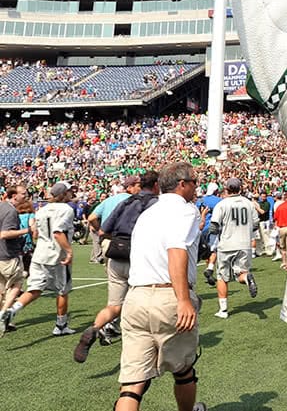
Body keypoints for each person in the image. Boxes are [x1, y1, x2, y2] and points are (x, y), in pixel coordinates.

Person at [114, 161, 205, 411]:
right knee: (184, 370)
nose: (197, 187)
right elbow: (176, 250)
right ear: (182, 184)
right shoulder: (185, 210)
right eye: (195, 182)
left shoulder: (148, 213)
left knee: (132, 384)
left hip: (136, 297)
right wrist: (184, 299)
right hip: (168, 295)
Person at [74, 170, 160, 363]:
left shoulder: (126, 202)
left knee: (114, 306)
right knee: (147, 304)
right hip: (139, 259)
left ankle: (95, 328)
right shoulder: (155, 204)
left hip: (115, 256)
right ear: (156, 186)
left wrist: (120, 240)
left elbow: (103, 230)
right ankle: (149, 347)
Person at [1, 181, 76, 336]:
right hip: (56, 255)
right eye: (69, 191)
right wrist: (68, 251)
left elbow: (35, 234)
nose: (71, 194)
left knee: (34, 289)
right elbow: (58, 232)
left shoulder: (41, 210)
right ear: (63, 194)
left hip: (39, 254)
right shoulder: (66, 209)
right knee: (63, 290)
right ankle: (61, 325)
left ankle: (11, 311)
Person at [208, 178, 259, 319]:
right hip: (245, 243)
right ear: (240, 189)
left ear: (226, 189)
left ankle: (223, 310)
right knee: (241, 273)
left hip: (227, 243)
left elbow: (214, 227)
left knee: (222, 277)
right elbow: (255, 224)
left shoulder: (222, 204)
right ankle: (247, 278)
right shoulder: (249, 203)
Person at [89, 177, 141, 263]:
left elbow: (91, 218)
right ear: (130, 187)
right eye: (139, 186)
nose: (140, 189)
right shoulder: (135, 200)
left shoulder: (109, 200)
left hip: (107, 241)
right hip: (126, 242)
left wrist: (99, 230)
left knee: (111, 273)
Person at [0, 185, 30, 325]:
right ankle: (4, 313)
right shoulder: (10, 212)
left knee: (1, 288)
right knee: (16, 284)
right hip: (9, 255)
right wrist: (27, 230)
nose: (26, 195)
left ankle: (3, 318)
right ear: (14, 196)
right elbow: (5, 234)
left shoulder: (1, 206)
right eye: (23, 193)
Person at [272, 190, 287, 271]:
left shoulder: (279, 207)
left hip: (281, 228)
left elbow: (275, 218)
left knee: (283, 248)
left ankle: (284, 262)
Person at [254, 190, 274, 258]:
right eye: (262, 196)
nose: (263, 198)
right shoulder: (258, 203)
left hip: (264, 222)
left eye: (264, 196)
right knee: (258, 238)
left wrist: (256, 207)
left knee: (266, 237)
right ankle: (259, 251)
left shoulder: (267, 203)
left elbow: (262, 212)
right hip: (258, 222)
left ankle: (269, 251)